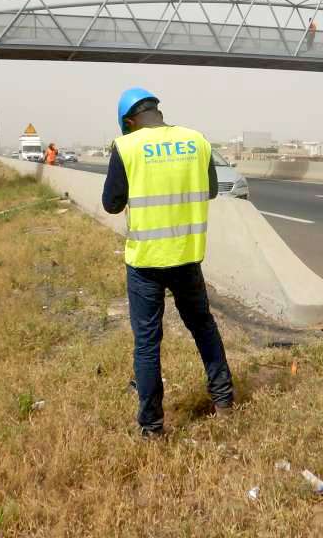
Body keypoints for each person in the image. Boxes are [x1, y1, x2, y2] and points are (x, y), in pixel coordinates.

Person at [102, 87, 234, 437]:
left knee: (147, 342)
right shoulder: (197, 140)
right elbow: (210, 190)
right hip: (186, 256)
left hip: (145, 262)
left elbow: (111, 204)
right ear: (157, 112)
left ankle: (152, 426)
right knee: (203, 327)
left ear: (129, 122)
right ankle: (224, 401)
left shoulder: (126, 147)